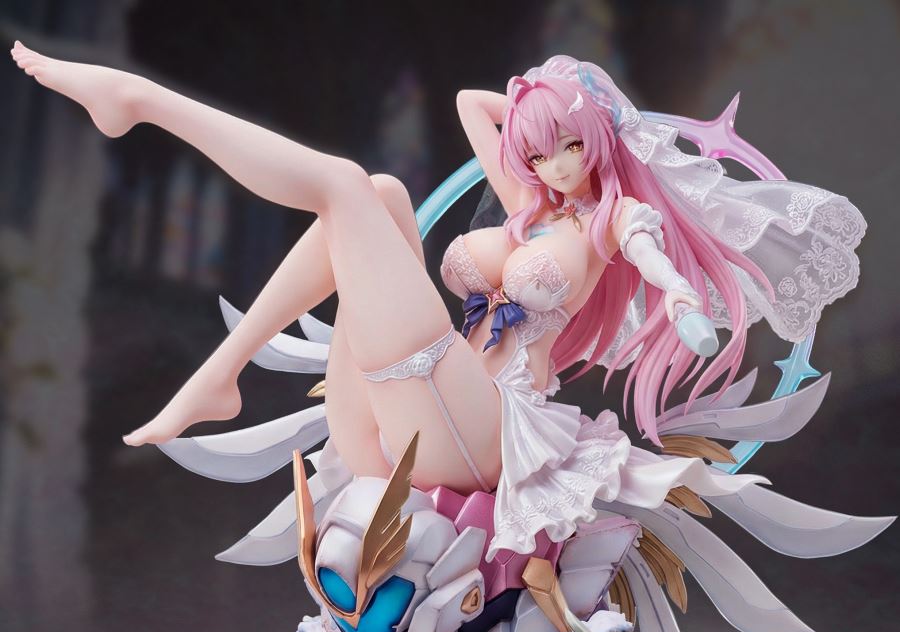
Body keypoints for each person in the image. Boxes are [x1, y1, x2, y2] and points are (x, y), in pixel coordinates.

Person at [9, 47, 867, 559]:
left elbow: (654, 257)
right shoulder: (529, 205)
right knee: (381, 193)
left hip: (483, 431)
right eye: (543, 152)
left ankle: (142, 102)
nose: (558, 165)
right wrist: (547, 96)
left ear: (602, 141)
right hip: (411, 420)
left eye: (574, 145)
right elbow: (470, 104)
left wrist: (679, 296)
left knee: (344, 187)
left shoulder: (611, 222)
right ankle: (222, 377)